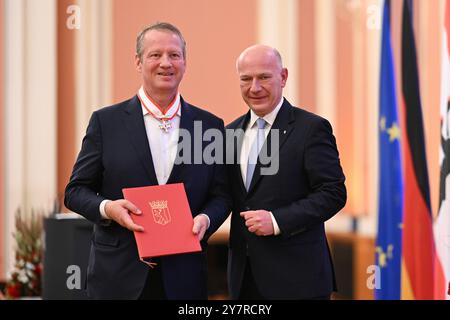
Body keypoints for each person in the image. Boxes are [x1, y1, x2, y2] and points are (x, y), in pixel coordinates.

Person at [64, 22, 230, 300]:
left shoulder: (209, 126)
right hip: (118, 277)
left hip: (184, 278)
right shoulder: (106, 122)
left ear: (185, 63)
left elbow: (222, 195)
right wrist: (108, 209)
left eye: (174, 55)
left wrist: (206, 219)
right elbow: (75, 191)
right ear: (139, 62)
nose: (166, 63)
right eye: (155, 55)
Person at [226, 45, 347, 300]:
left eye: (264, 77)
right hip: (243, 279)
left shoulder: (311, 128)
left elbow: (333, 193)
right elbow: (220, 195)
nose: (254, 87)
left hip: (299, 281)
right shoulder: (229, 133)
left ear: (283, 77)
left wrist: (278, 221)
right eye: (246, 79)